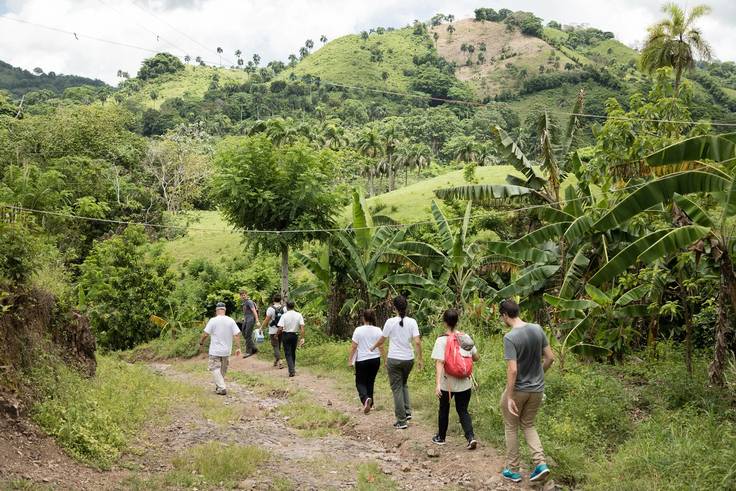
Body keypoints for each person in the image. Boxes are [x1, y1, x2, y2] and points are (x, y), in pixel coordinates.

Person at [499, 299, 554, 484]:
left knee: (511, 426)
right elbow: (550, 358)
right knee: (529, 424)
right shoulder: (537, 329)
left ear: (505, 315)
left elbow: (513, 370)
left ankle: (513, 470)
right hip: (537, 390)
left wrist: (509, 395)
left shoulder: (510, 337)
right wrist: (539, 374)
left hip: (519, 390)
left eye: (502, 316)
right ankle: (540, 463)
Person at [370, 295, 423, 430]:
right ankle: (407, 412)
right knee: (403, 383)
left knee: (397, 388)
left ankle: (401, 420)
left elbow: (382, 340)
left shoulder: (390, 322)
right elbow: (417, 341)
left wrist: (373, 346)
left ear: (394, 308)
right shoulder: (413, 322)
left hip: (394, 359)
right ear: (406, 306)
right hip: (408, 359)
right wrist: (420, 359)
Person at [431, 309, 480, 449]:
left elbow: (440, 363)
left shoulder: (441, 340)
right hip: (465, 383)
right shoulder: (465, 337)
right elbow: (475, 357)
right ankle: (470, 437)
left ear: (445, 322)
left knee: (444, 409)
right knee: (463, 410)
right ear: (457, 321)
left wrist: (438, 384)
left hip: (448, 384)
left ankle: (441, 437)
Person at [199, 302, 241, 396]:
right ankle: (219, 386)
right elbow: (237, 334)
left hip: (215, 350)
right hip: (227, 350)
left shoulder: (213, 320)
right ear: (224, 310)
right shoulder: (230, 320)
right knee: (222, 369)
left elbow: (205, 334)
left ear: (216, 310)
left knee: (214, 367)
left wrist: (201, 342)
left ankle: (222, 387)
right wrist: (238, 347)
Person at [348, 309, 383, 414]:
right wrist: (385, 360)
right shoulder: (378, 330)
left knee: (360, 382)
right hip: (375, 359)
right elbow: (381, 346)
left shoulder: (358, 330)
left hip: (362, 360)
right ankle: (371, 405)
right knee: (370, 381)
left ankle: (365, 399)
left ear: (364, 318)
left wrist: (350, 360)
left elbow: (354, 346)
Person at [277, 300, 305, 377]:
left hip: (286, 335)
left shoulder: (284, 315)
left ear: (286, 306)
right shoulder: (299, 315)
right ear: (294, 306)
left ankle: (291, 370)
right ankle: (293, 368)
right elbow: (302, 328)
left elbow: (280, 328)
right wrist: (302, 338)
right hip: (294, 335)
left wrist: (277, 335)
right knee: (293, 352)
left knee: (288, 353)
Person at [261, 294, 285, 369]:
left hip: (273, 330)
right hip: (282, 329)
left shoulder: (270, 309)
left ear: (273, 300)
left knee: (275, 346)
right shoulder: (284, 308)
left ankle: (280, 361)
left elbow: (267, 319)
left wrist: (261, 328)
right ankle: (276, 360)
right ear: (280, 300)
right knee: (278, 345)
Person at [240, 289, 260, 358]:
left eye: (244, 295)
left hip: (251, 320)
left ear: (246, 294)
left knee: (248, 335)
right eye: (242, 295)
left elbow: (254, 311)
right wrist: (244, 317)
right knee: (243, 333)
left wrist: (257, 320)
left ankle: (248, 352)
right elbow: (246, 312)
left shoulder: (249, 302)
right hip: (246, 320)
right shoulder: (244, 303)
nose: (243, 296)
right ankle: (254, 348)